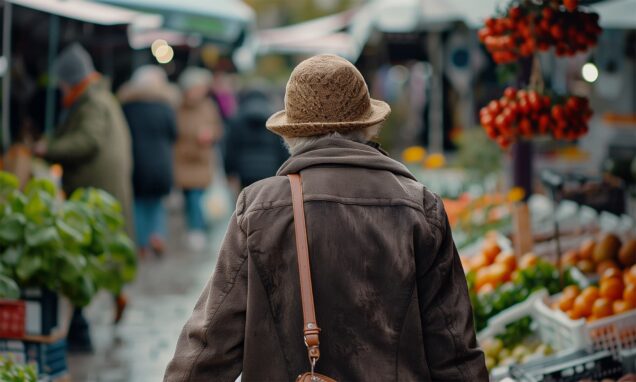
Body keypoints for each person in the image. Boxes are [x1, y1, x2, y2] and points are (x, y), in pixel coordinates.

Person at [164, 54, 487, 381]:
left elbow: (211, 342)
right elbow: (454, 346)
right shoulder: (420, 207)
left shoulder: (261, 207)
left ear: (290, 134)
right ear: (367, 126)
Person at [33, 43, 134, 349]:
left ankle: (81, 328)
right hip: (104, 189)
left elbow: (86, 141)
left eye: (63, 82)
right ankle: (111, 298)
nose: (61, 88)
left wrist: (46, 149)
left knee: (86, 258)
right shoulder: (100, 97)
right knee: (103, 255)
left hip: (96, 192)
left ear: (72, 79)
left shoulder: (91, 102)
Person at [118, 66, 179, 258]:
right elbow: (174, 134)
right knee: (156, 202)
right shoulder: (165, 107)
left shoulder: (127, 107)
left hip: (135, 161)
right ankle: (157, 235)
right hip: (161, 162)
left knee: (138, 203)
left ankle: (141, 243)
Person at [174, 67, 223, 252]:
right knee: (189, 196)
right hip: (184, 160)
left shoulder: (208, 106)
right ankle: (195, 228)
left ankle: (197, 229)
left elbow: (218, 128)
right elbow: (176, 132)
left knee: (197, 196)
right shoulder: (178, 108)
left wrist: (211, 134)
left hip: (202, 160)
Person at [224, 87, 289, 191]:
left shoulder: (236, 119)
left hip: (245, 173)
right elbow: (281, 147)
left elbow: (231, 149)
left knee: (247, 202)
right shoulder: (274, 119)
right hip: (270, 171)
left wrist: (229, 171)